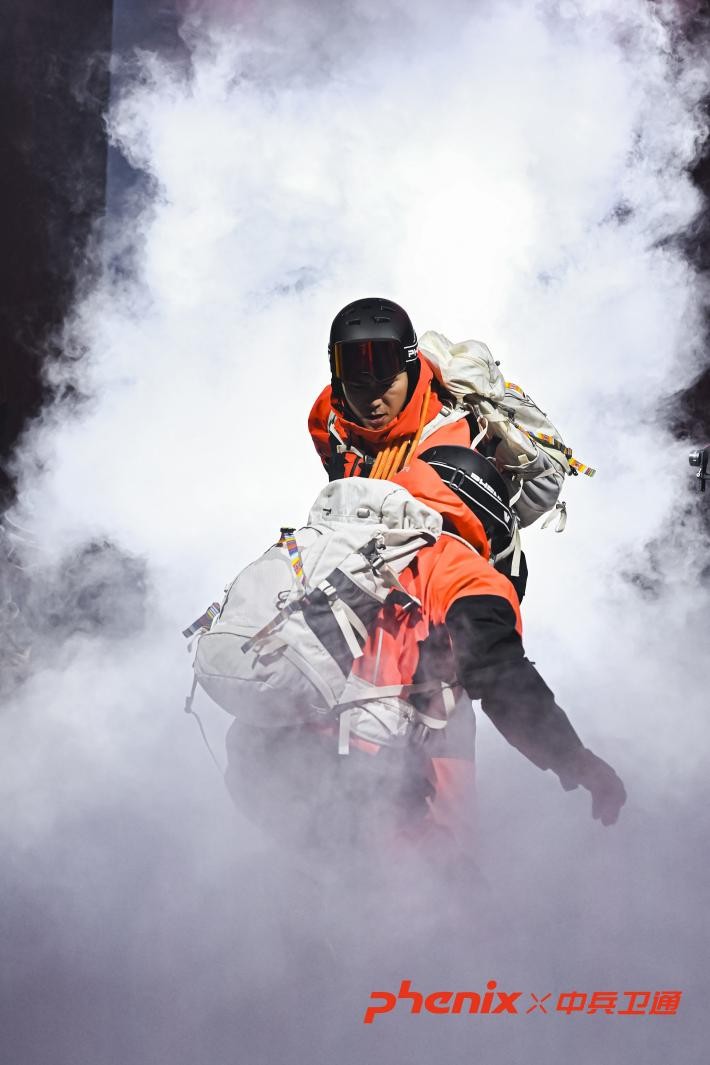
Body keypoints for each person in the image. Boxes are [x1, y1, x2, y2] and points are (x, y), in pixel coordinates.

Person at [223, 447, 626, 862]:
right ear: (490, 516)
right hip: (356, 779)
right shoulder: (462, 571)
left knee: (308, 885)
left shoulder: (341, 541)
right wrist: (574, 759)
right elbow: (500, 676)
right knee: (443, 894)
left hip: (261, 755)